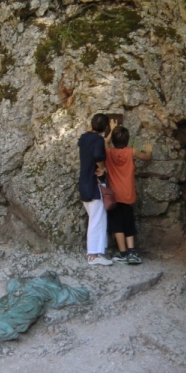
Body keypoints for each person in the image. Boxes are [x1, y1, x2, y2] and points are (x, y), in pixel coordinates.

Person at [105, 120, 153, 264]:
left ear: (113, 140)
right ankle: (132, 251)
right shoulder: (131, 151)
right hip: (127, 194)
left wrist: (111, 130)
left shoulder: (108, 152)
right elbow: (146, 158)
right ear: (128, 139)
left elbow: (104, 144)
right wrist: (149, 150)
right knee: (128, 222)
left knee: (116, 224)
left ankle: (122, 252)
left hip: (113, 195)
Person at [78, 113, 112, 265]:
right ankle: (93, 254)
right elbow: (98, 154)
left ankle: (98, 250)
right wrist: (102, 168)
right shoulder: (98, 140)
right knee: (96, 219)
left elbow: (92, 143)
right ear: (105, 128)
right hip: (94, 182)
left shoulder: (83, 138)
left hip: (84, 182)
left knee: (95, 217)